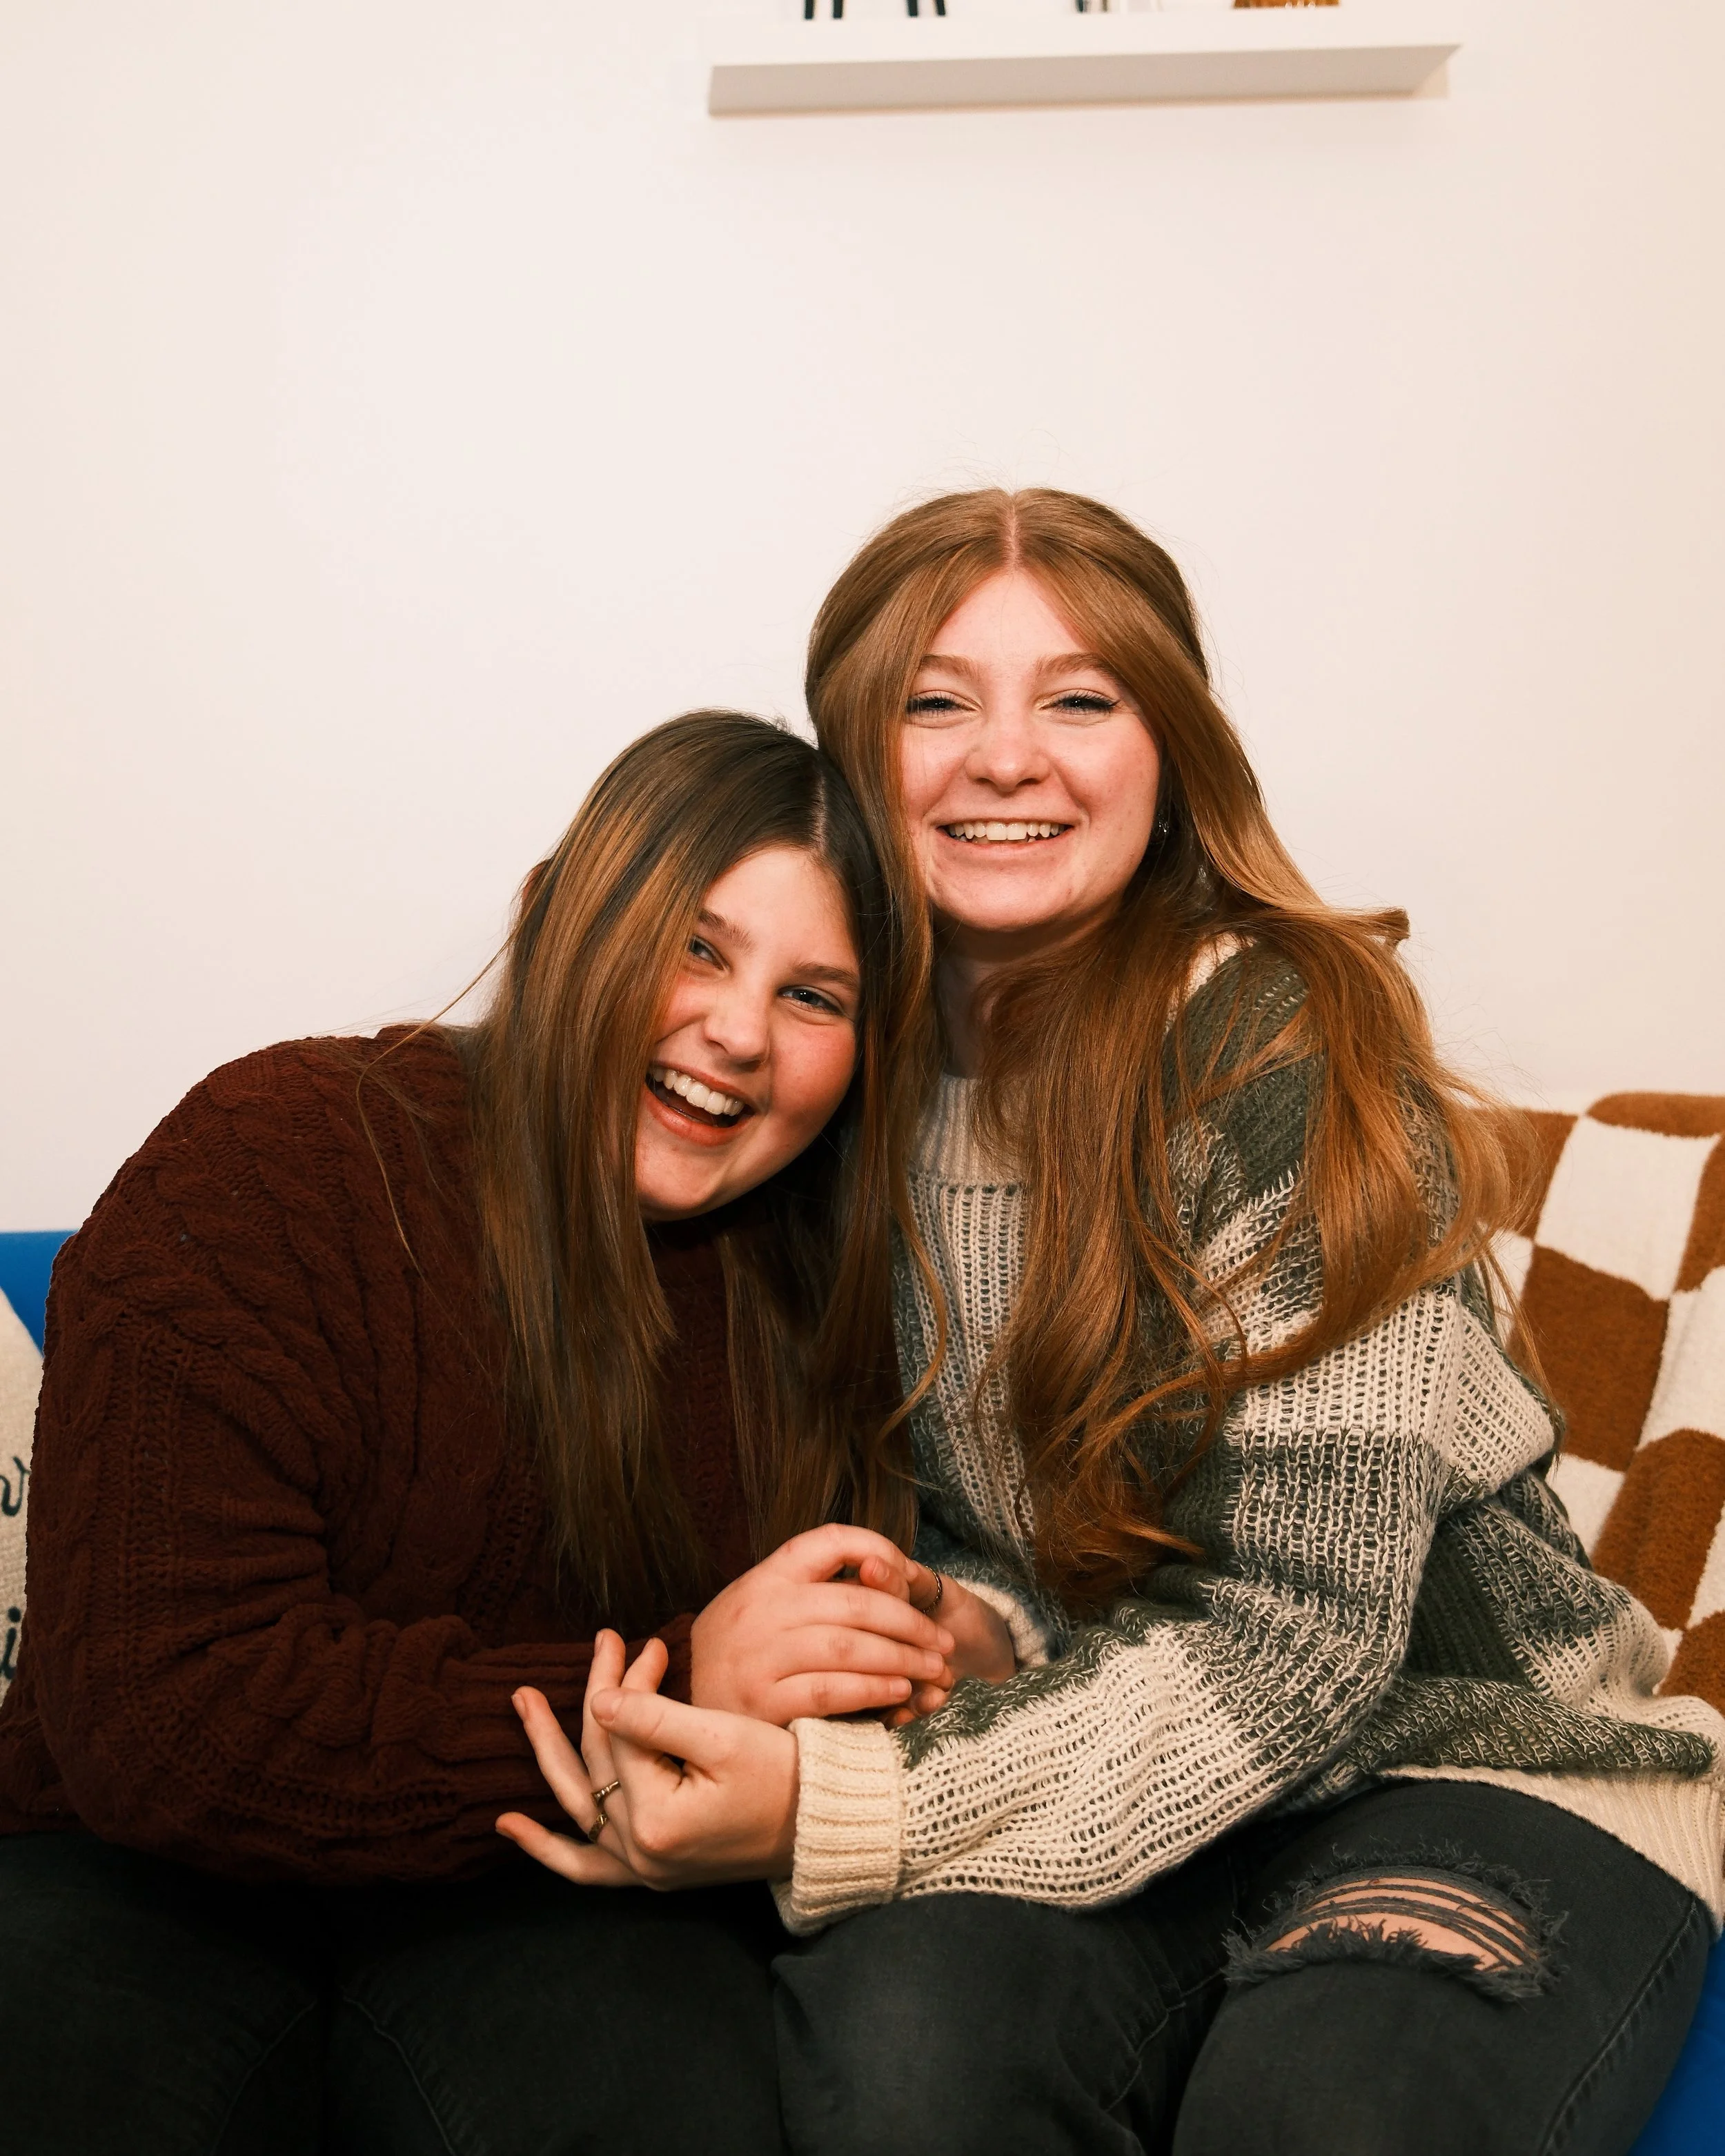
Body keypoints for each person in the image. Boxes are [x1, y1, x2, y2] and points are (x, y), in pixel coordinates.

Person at [511, 497, 1725, 2156]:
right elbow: (976, 1511)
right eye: (935, 701)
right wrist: (961, 1620)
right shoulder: (826, 1067)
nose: (1006, 755)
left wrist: (830, 1802)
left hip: (1461, 1759)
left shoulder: (1279, 1047)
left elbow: (1297, 1632)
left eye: (1078, 698)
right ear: (851, 758)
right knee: (899, 2055)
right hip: (1099, 1767)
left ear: (1168, 752)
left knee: (1325, 2114)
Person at [0, 709, 1012, 2156]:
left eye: (812, 996)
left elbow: (856, 1701)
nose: (737, 1031)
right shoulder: (278, 1156)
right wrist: (679, 1681)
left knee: (663, 2092)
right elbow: (162, 1718)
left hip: (555, 1902)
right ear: (555, 920)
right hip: (140, 1879)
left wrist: (936, 1650)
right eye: (696, 946)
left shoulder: (836, 1288)